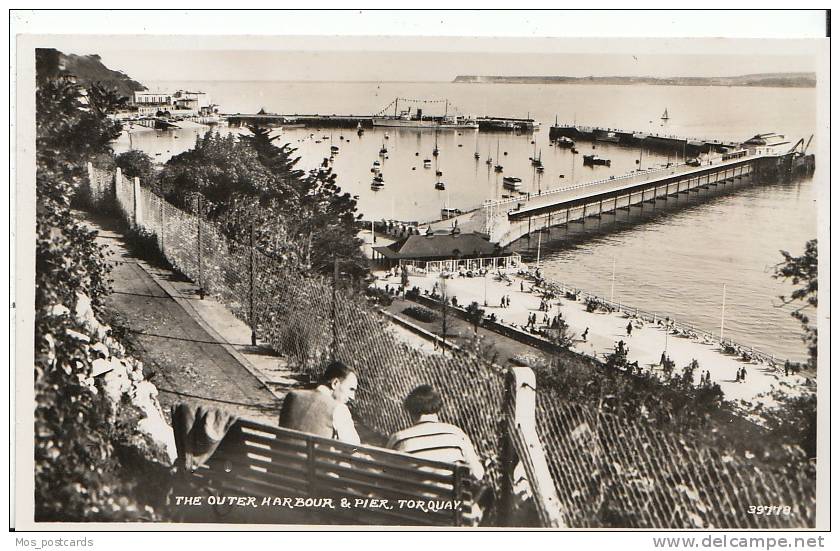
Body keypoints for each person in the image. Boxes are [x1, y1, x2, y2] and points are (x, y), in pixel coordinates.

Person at [387, 384, 485, 482]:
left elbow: (386, 474)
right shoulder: (456, 434)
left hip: (412, 496)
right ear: (437, 407)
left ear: (410, 411)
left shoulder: (399, 439)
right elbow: (478, 474)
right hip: (449, 496)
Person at [278, 361, 360, 445]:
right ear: (335, 383)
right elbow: (354, 447)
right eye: (351, 389)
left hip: (281, 457)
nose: (352, 397)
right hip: (313, 457)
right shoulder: (338, 409)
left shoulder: (292, 396)